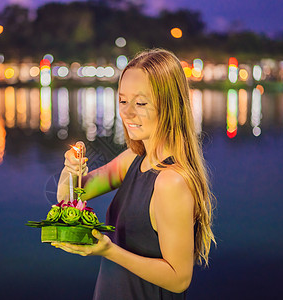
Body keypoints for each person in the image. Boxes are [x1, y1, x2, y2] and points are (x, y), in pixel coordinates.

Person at [54, 48, 216, 299]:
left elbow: (179, 278)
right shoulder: (132, 160)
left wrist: (109, 251)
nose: (127, 113)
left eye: (140, 103)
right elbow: (70, 197)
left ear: (170, 105)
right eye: (122, 101)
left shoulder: (171, 181)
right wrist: (71, 169)